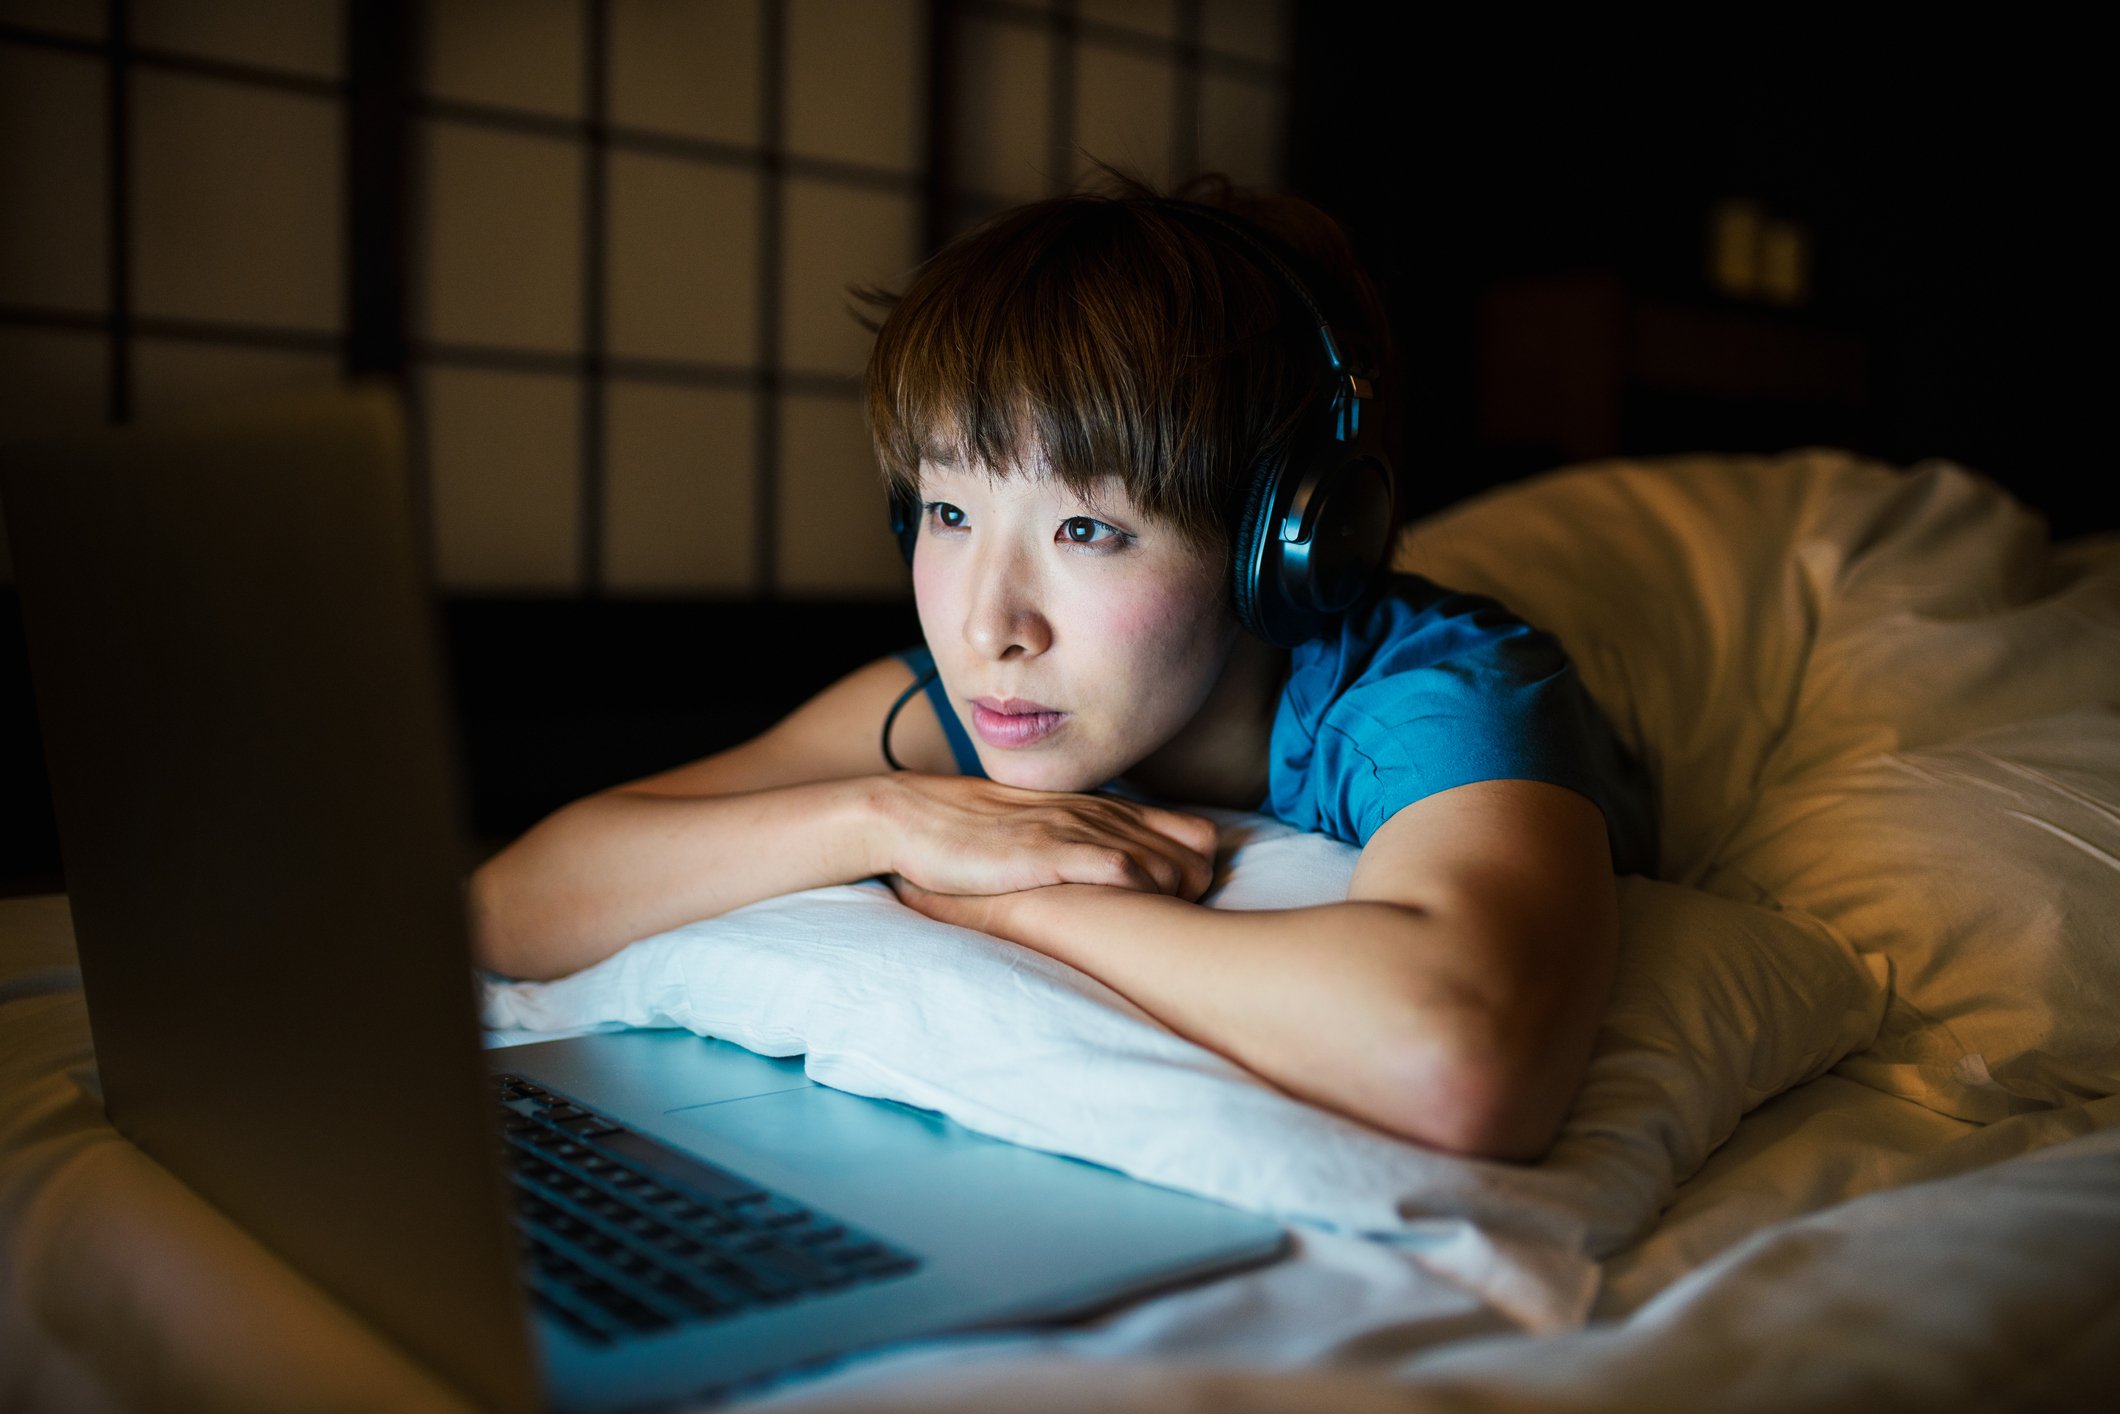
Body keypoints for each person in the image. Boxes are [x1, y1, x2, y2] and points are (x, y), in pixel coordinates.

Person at [468, 169, 1656, 1163]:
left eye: (1085, 529)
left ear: (1288, 546)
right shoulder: (967, 699)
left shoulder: (1434, 695)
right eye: (945, 511)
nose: (990, 624)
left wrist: (1016, 904)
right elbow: (510, 904)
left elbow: (1453, 1063)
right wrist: (886, 817)